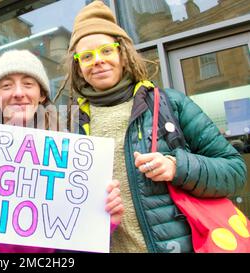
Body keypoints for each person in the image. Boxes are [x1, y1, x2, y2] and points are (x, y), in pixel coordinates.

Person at [62, 1, 247, 253]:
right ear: (78, 67)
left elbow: (234, 171)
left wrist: (177, 166)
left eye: (106, 50)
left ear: (122, 54)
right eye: (86, 56)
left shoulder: (171, 104)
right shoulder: (69, 125)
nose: (97, 61)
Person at [0, 49, 124, 253]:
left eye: (28, 84)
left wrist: (104, 222)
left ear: (42, 95)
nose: (19, 93)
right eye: (6, 85)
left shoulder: (72, 155)